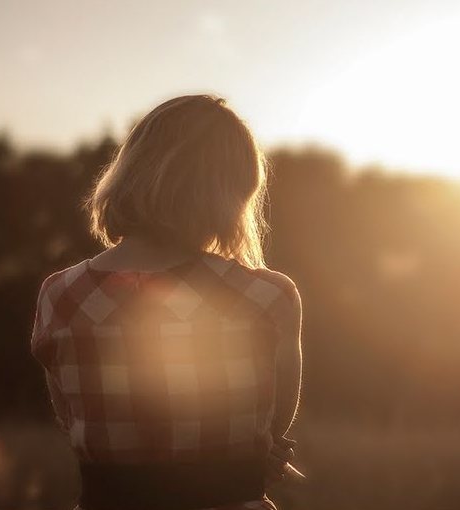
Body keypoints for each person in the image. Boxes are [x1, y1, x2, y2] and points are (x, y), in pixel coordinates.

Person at [30, 95, 303, 510]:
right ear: (233, 192)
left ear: (130, 171)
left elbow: (74, 423)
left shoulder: (60, 295)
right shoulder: (266, 296)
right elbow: (271, 430)